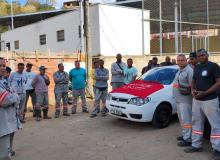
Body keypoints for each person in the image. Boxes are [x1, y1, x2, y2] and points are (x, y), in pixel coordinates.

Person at [184, 49, 220, 160]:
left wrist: (204, 93)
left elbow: (219, 83)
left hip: (210, 100)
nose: (201, 57)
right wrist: (192, 90)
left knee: (215, 125)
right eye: (199, 56)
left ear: (207, 55)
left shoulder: (214, 66)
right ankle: (196, 145)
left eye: (203, 55)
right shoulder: (197, 67)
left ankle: (217, 149)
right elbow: (194, 80)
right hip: (197, 100)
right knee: (196, 122)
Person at [0, 58, 22, 159]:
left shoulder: (4, 82)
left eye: (3, 65)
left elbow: (15, 95)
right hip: (2, 125)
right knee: (4, 155)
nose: (2, 68)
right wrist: (13, 97)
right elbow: (5, 100)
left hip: (8, 122)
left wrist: (13, 97)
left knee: (6, 153)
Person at [172, 54, 193, 147]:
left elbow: (192, 86)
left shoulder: (189, 71)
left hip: (186, 100)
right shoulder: (180, 70)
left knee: (186, 120)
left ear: (186, 61)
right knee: (181, 119)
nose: (180, 62)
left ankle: (189, 139)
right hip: (179, 100)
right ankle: (185, 134)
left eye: (182, 60)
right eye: (178, 60)